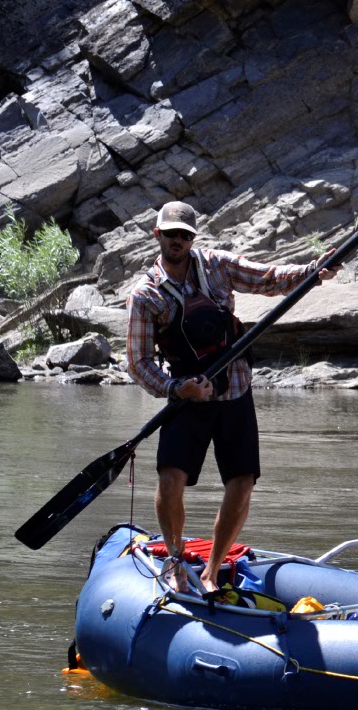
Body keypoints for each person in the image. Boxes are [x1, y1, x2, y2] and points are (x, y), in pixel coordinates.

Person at [126, 200, 336, 596]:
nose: (177, 240)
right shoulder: (146, 295)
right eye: (170, 234)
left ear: (193, 238)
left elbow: (270, 278)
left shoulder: (217, 265)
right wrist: (176, 388)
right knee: (171, 480)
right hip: (188, 397)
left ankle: (211, 570)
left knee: (241, 482)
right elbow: (138, 363)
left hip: (236, 389)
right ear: (157, 235)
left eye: (185, 235)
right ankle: (175, 560)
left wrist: (313, 271)